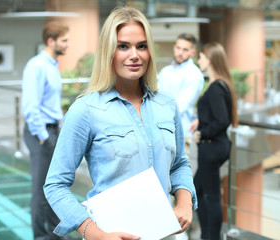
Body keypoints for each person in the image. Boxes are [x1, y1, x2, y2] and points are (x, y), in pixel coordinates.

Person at [44, 6, 197, 240]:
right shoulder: (85, 110)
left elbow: (179, 164)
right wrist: (94, 233)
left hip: (165, 233)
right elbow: (55, 185)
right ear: (108, 51)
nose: (134, 55)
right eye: (123, 46)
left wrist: (185, 202)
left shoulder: (167, 104)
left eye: (142, 46)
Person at [22, 21, 69, 240]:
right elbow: (31, 106)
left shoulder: (52, 66)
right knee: (40, 191)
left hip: (52, 131)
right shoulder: (37, 66)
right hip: (41, 134)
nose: (67, 45)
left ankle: (55, 234)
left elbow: (50, 103)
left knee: (54, 186)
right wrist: (43, 137)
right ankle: (40, 236)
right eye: (64, 41)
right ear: (51, 41)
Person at [190, 42, 238, 240]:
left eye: (200, 57)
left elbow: (222, 119)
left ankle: (212, 237)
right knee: (198, 189)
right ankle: (207, 235)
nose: (198, 60)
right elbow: (218, 114)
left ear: (209, 59)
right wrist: (201, 120)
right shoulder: (219, 84)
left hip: (212, 147)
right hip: (216, 146)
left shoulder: (217, 86)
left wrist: (203, 133)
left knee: (211, 195)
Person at [158, 33, 204, 154]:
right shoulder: (165, 71)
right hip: (159, 131)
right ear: (174, 48)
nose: (180, 52)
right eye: (178, 48)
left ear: (193, 53)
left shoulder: (194, 75)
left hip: (180, 133)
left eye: (185, 50)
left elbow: (180, 106)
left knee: (177, 172)